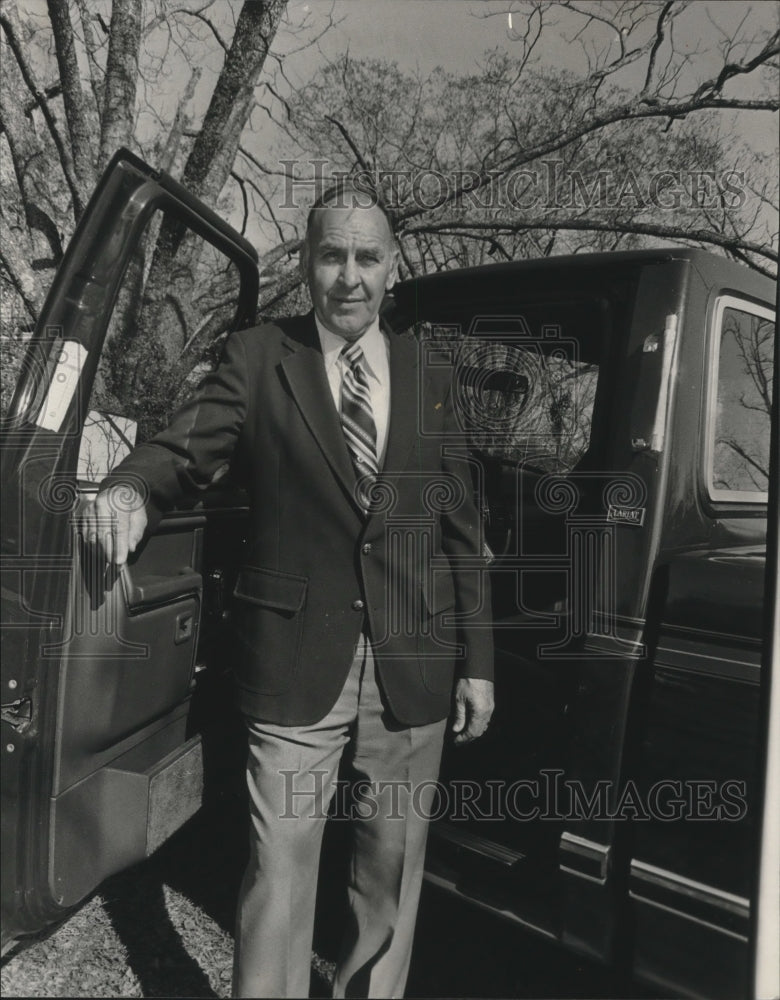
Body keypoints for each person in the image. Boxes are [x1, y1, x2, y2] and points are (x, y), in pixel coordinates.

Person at [81, 181, 494, 998]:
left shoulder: (430, 372)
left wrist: (479, 660)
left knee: (390, 874)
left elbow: (461, 530)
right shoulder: (258, 357)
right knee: (281, 874)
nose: (350, 276)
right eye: (332, 255)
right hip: (295, 657)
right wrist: (130, 488)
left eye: (367, 257)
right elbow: (184, 447)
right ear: (307, 263)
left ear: (392, 267)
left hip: (414, 662)